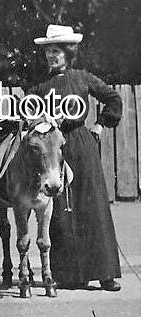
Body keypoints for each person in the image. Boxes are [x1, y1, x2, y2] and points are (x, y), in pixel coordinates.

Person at [30, 24, 122, 291]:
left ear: (68, 53)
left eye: (56, 51)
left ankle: (105, 274)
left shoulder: (83, 78)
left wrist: (101, 124)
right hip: (53, 151)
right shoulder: (39, 85)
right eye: (48, 52)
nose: (51, 57)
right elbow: (30, 114)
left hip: (82, 147)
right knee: (59, 211)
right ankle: (69, 274)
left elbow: (113, 99)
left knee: (91, 208)